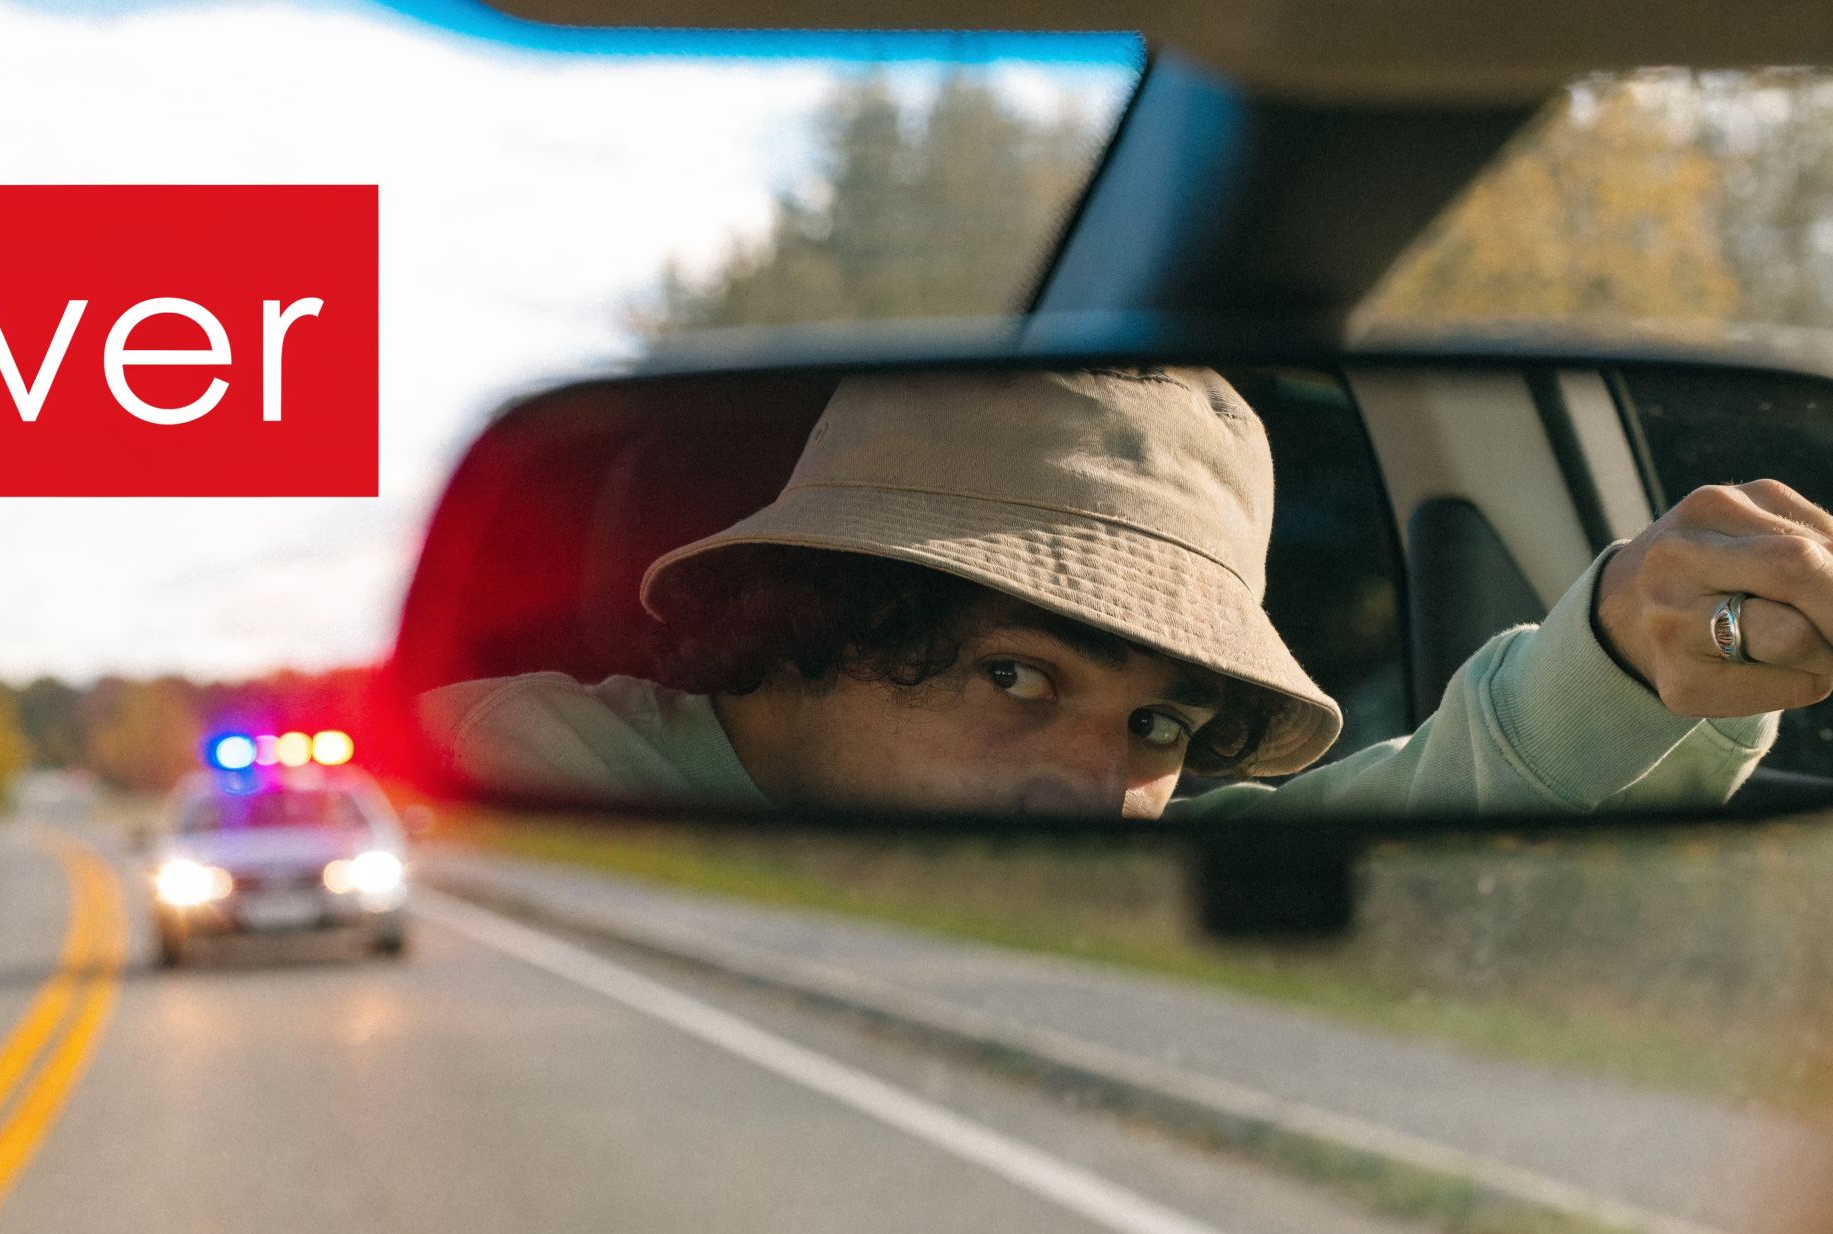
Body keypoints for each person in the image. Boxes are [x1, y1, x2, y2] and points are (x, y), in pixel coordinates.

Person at [424, 366, 1829, 819]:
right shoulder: (511, 776)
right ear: (812, 622)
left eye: (1163, 724)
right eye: (1016, 675)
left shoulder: (1119, 868)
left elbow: (1427, 800)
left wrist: (1634, 647)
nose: (1100, 786)